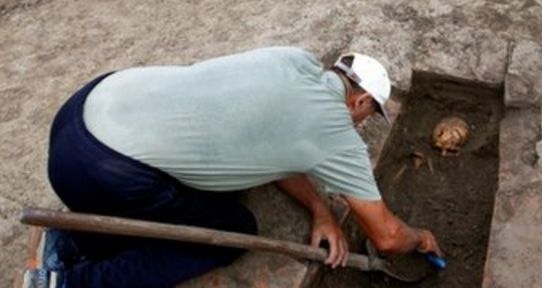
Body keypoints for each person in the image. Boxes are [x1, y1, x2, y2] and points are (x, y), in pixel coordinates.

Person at [23, 47, 443, 288]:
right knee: (230, 231)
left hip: (87, 106)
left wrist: (320, 209)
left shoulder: (292, 59)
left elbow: (281, 147)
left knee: (207, 192)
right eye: (369, 114)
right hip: (99, 170)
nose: (364, 123)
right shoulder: (335, 129)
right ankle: (69, 283)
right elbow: (387, 237)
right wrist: (420, 238)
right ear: (360, 101)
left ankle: (72, 237)